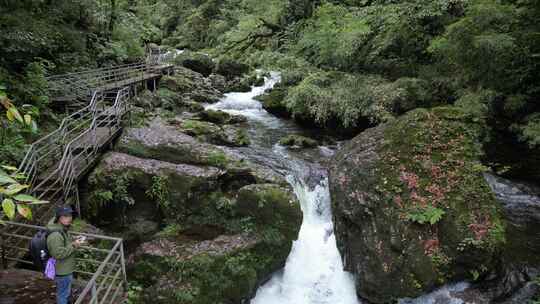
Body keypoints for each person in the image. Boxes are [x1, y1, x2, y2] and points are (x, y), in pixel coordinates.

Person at [47, 206, 84, 304]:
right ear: (59, 217)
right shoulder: (55, 235)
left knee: (64, 292)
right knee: (62, 294)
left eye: (70, 215)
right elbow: (58, 254)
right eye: (65, 216)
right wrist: (74, 245)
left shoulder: (61, 228)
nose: (69, 218)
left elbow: (63, 244)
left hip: (65, 268)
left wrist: (72, 240)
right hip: (62, 271)